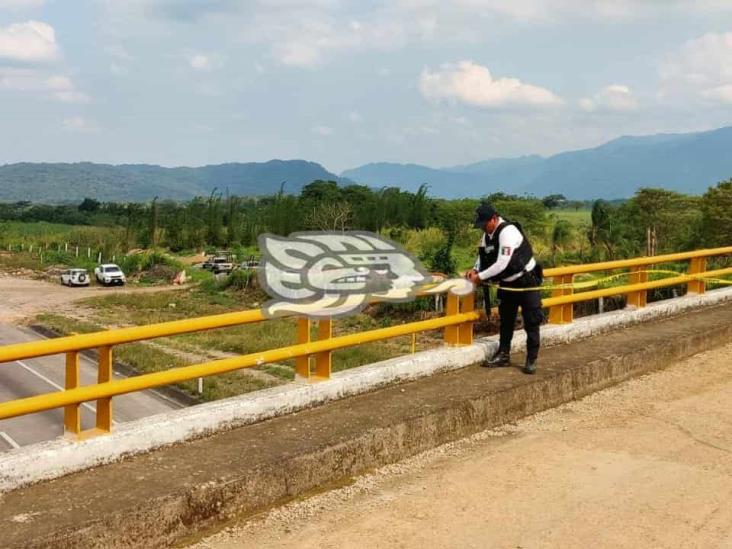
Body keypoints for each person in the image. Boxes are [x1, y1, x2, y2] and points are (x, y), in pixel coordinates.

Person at [466, 203, 543, 374]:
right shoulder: (487, 235)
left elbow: (502, 262)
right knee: (506, 320)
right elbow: (483, 256)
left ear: (493, 218)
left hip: (526, 281)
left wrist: (480, 278)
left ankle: (531, 358)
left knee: (532, 321)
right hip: (507, 283)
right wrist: (475, 270)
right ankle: (503, 354)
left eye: (485, 224)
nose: (483, 229)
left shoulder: (507, 232)